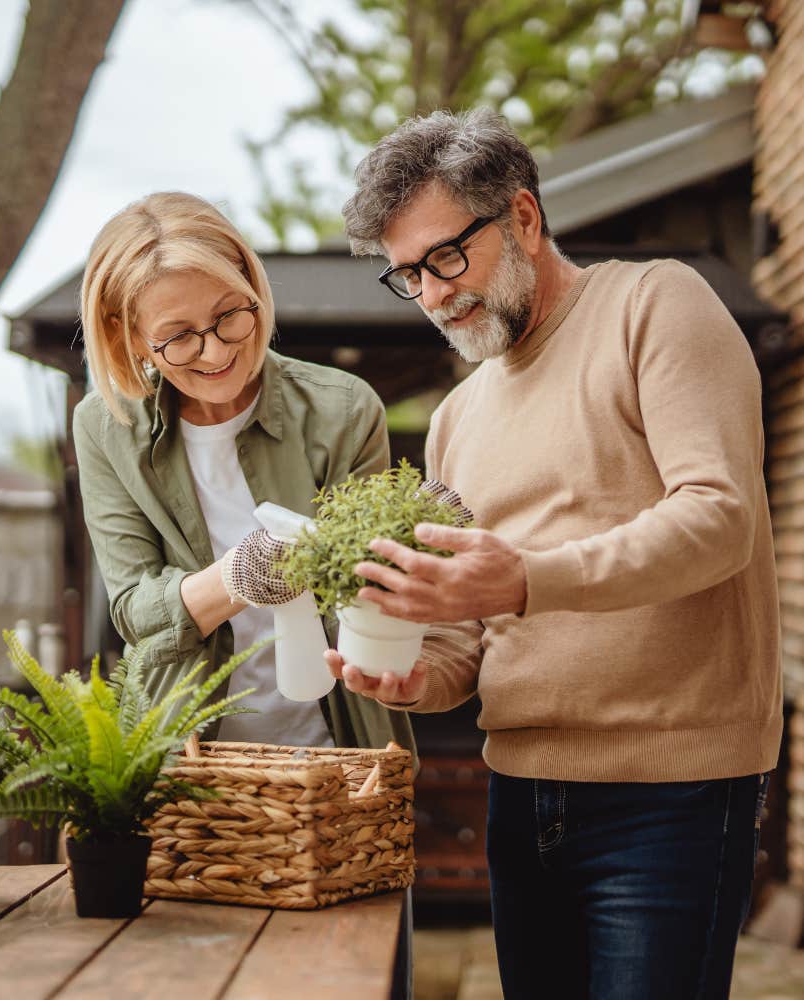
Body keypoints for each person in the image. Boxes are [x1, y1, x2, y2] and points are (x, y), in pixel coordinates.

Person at [326, 107, 782, 999]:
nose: (432, 295)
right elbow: (471, 632)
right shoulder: (458, 416)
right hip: (521, 793)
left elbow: (719, 515)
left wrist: (531, 577)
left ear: (524, 220)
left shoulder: (655, 305)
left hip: (671, 797)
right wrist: (422, 679)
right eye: (407, 275)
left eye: (446, 258)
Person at [73, 190, 414, 761]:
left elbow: (376, 595)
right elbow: (134, 610)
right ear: (130, 336)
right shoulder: (106, 427)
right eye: (179, 336)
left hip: (340, 756)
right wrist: (236, 577)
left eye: (230, 313)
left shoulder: (344, 409)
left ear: (251, 285)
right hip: (184, 766)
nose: (214, 352)